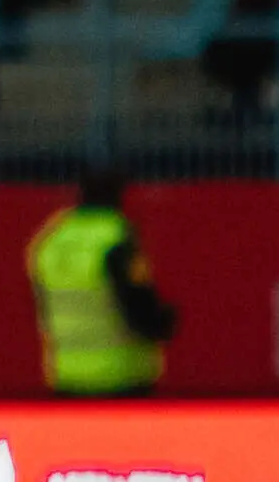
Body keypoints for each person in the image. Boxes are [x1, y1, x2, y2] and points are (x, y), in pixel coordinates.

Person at [26, 167, 178, 397]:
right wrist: (164, 322)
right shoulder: (115, 238)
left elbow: (44, 309)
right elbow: (139, 306)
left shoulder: (51, 240)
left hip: (67, 377)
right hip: (121, 376)